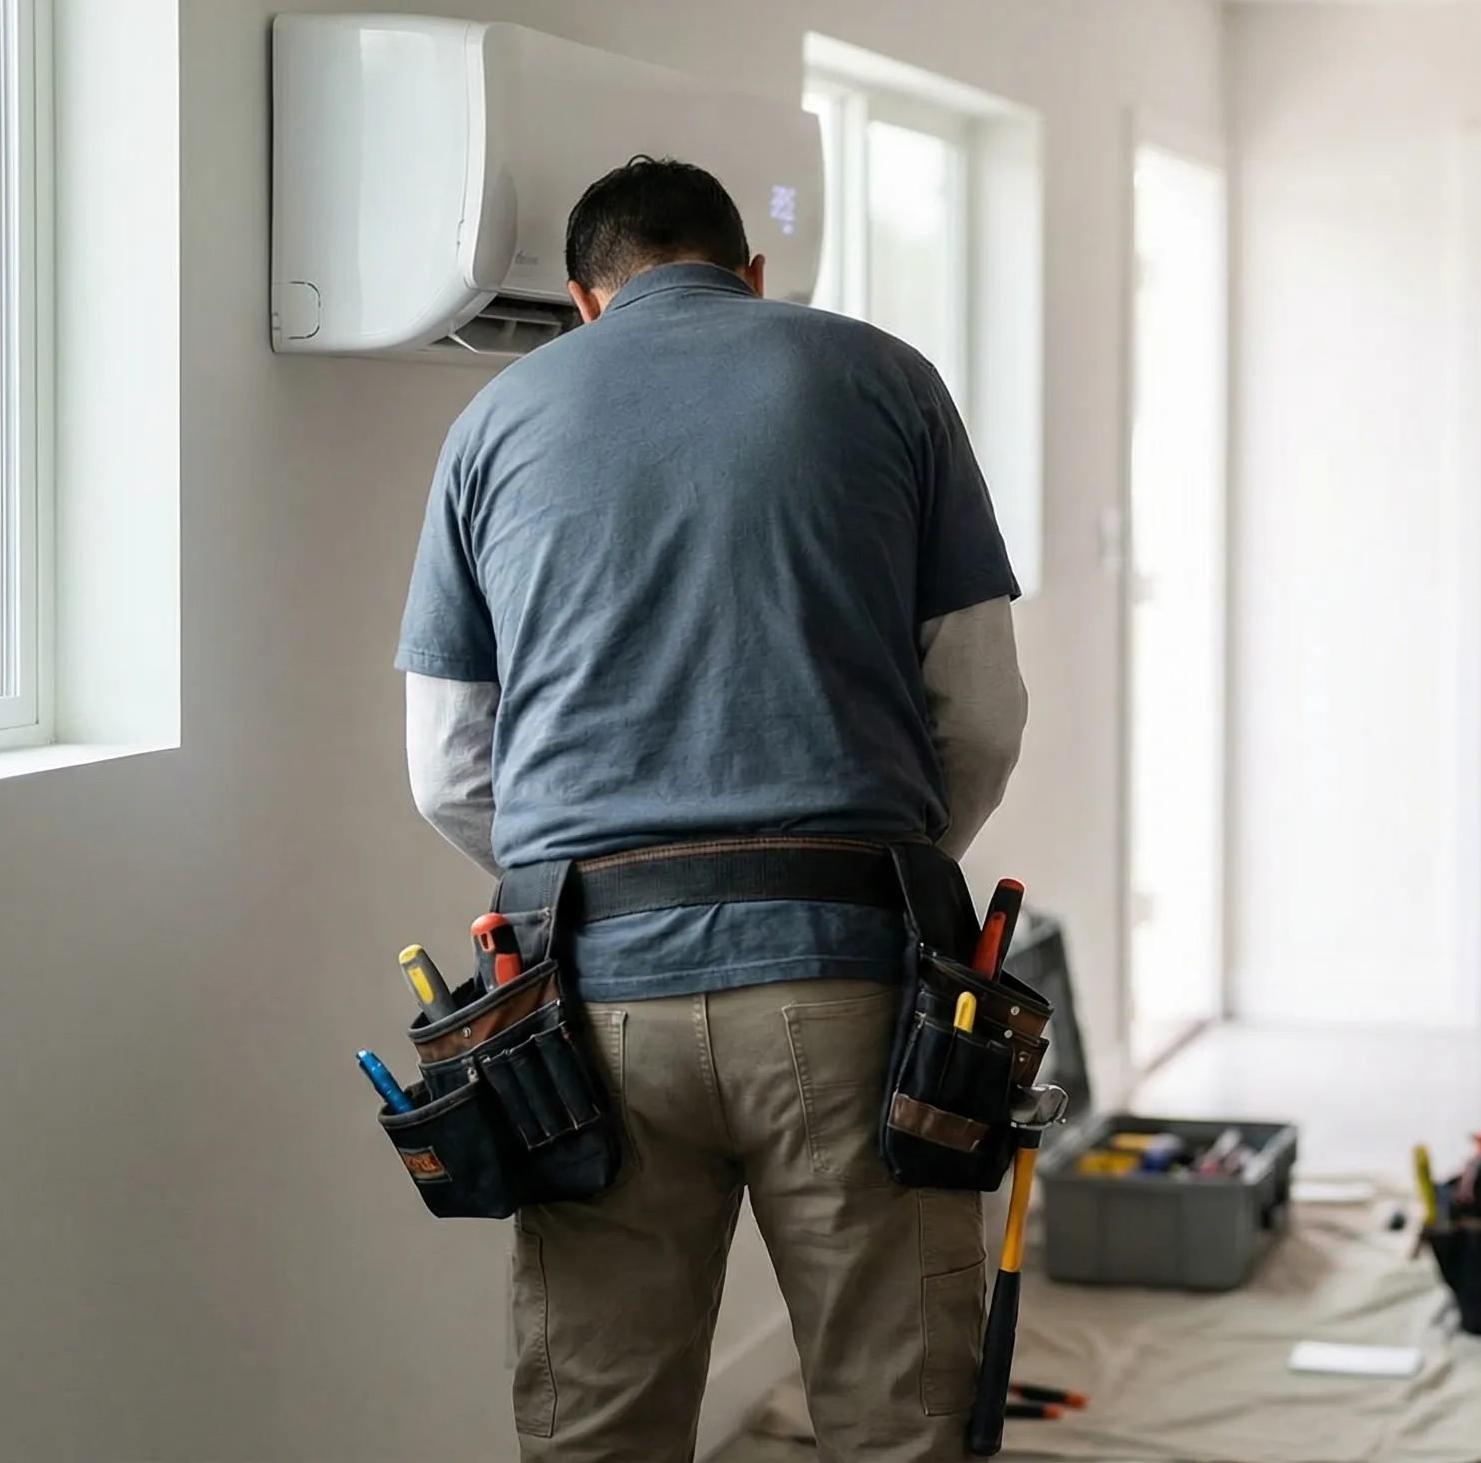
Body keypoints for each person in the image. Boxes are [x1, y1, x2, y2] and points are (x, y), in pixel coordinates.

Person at [396, 156, 1027, 1462]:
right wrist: (877, 870)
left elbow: (450, 764)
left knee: (600, 1425)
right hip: (847, 988)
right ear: (751, 274)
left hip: (593, 1010)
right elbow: (980, 711)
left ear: (583, 300)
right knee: (899, 1417)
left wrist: (575, 876)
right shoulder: (888, 379)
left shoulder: (495, 421)